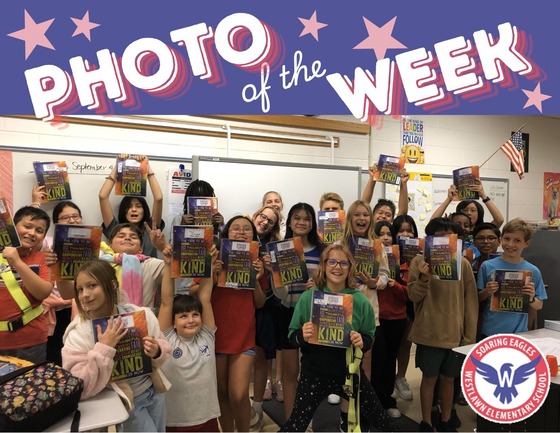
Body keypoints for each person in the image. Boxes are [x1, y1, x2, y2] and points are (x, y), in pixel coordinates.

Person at [279, 244, 398, 433]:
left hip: (350, 373)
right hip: (314, 374)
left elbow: (369, 335)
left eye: (344, 263)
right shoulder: (309, 297)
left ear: (350, 268)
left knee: (382, 421)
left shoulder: (359, 301)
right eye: (332, 262)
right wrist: (302, 335)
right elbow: (292, 336)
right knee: (295, 425)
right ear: (323, 266)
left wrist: (362, 341)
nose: (338, 267)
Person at [62, 259, 171, 432]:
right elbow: (78, 386)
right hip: (125, 400)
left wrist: (157, 350)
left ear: (112, 284)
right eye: (80, 289)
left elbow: (164, 346)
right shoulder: (79, 332)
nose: (85, 294)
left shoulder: (139, 314)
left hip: (153, 392)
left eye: (92, 285)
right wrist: (103, 349)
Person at [407, 218, 478, 432]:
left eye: (448, 234)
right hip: (429, 331)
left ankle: (447, 420)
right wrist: (424, 277)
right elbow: (413, 296)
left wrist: (469, 338)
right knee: (429, 378)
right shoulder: (418, 262)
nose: (443, 239)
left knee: (449, 379)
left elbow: (470, 302)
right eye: (438, 234)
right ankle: (427, 421)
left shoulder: (463, 263)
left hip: (455, 334)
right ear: (429, 239)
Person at [209, 216, 265, 433]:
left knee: (239, 393)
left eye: (246, 230)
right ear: (226, 233)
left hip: (244, 335)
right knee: (222, 392)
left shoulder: (257, 261)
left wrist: (256, 278)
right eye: (236, 229)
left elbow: (259, 303)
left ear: (253, 236)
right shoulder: (214, 259)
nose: (241, 233)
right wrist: (212, 274)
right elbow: (196, 295)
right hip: (216, 333)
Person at [158, 241, 221, 432]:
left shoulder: (206, 336)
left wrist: (208, 264)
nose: (191, 320)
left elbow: (205, 298)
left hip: (207, 417)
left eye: (195, 314)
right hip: (175, 421)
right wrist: (168, 265)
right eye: (183, 316)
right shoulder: (168, 338)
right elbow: (166, 302)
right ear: (173, 322)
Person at [272, 202, 325, 421]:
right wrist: (275, 275)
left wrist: (319, 288)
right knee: (290, 372)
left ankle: (307, 418)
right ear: (290, 221)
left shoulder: (322, 251)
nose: (301, 222)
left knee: (311, 373)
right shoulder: (282, 248)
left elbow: (332, 283)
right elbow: (280, 294)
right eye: (297, 218)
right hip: (287, 313)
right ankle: (292, 421)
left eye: (306, 219)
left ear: (312, 223)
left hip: (315, 316)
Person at [477, 218, 546, 338]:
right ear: (500, 239)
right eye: (507, 239)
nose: (510, 245)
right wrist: (487, 292)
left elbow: (539, 305)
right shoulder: (487, 266)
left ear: (527, 243)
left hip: (519, 333)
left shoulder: (533, 271)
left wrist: (531, 298)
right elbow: (477, 299)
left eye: (517, 240)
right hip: (490, 332)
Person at [0, 206, 53, 363]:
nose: (32, 233)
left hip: (31, 341)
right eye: (27, 226)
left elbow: (43, 292)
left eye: (39, 230)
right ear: (13, 227)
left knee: (29, 387)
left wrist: (16, 261)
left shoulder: (45, 259)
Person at [371, 220, 408, 419]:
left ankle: (387, 401)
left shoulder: (402, 260)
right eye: (380, 234)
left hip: (396, 318)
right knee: (375, 362)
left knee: (389, 361)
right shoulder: (367, 255)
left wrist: (394, 285)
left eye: (388, 234)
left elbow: (410, 293)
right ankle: (372, 402)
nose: (385, 237)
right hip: (376, 317)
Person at [250, 206, 283, 429]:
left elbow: (282, 286)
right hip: (236, 305)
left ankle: (258, 407)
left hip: (264, 306)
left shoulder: (275, 248)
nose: (264, 222)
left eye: (270, 221)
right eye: (262, 217)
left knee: (261, 359)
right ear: (254, 216)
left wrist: (273, 269)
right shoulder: (236, 235)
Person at [99, 154, 164, 258]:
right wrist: (119, 164)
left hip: (148, 272)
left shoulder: (151, 229)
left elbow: (159, 198)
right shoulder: (116, 230)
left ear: (144, 210)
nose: (134, 210)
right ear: (123, 211)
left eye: (138, 206)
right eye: (129, 207)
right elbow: (103, 196)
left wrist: (146, 166)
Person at [170, 179, 224, 295]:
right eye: (196, 198)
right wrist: (183, 227)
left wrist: (220, 228)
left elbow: (224, 254)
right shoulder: (179, 220)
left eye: (204, 198)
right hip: (183, 285)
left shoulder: (218, 222)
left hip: (210, 284)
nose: (200, 202)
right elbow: (173, 252)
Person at [100, 223, 165, 310]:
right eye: (121, 236)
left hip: (142, 321)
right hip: (106, 321)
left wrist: (163, 248)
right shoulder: (99, 265)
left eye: (133, 237)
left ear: (141, 249)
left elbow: (177, 268)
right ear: (110, 245)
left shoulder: (149, 264)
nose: (127, 238)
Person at [392, 215, 419, 402]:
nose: (405, 233)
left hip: (410, 306)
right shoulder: (388, 253)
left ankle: (401, 377)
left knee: (405, 344)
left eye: (409, 230)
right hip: (391, 304)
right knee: (389, 346)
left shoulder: (419, 255)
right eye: (400, 230)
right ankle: (388, 379)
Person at [431, 179, 504, 228]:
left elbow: (499, 220)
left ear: (479, 213)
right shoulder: (451, 230)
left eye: (473, 210)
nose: (468, 213)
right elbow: (432, 223)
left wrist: (483, 196)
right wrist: (449, 199)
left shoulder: (482, 230)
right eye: (464, 210)